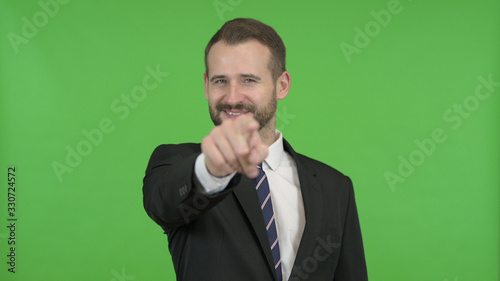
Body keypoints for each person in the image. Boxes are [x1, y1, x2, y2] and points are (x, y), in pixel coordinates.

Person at [143, 18, 368, 281]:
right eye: (220, 81)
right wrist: (211, 170)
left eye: (248, 80)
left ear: (281, 85)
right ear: (206, 85)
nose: (233, 97)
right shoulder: (179, 163)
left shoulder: (335, 188)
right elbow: (164, 203)